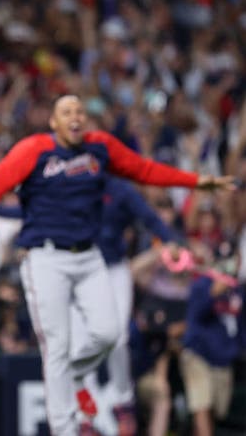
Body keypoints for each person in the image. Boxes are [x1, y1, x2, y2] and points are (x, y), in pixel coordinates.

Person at [0, 95, 234, 435]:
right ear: (53, 122)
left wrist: (195, 181)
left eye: (79, 110)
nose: (75, 116)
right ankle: (66, 427)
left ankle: (76, 373)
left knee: (108, 334)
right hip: (45, 258)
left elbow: (146, 170)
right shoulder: (33, 149)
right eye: (66, 112)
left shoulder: (100, 148)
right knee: (57, 347)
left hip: (90, 257)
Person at [70, 176, 180, 435]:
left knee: (117, 337)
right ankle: (87, 414)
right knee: (80, 345)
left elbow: (150, 218)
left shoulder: (120, 190)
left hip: (114, 268)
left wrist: (171, 241)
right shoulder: (70, 183)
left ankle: (123, 399)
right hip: (79, 269)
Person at [180, 258, 245, 436]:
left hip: (224, 357)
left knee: (216, 411)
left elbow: (241, 326)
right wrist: (212, 294)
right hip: (198, 353)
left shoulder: (238, 290)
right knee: (202, 406)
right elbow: (194, 317)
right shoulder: (202, 284)